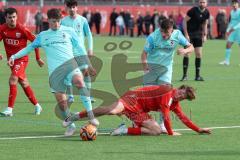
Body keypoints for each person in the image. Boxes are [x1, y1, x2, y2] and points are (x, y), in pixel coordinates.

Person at [8, 8, 99, 136]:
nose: (55, 24)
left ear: (60, 20)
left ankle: (90, 115)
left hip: (71, 66)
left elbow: (79, 48)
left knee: (79, 82)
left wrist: (88, 65)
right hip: (55, 73)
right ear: (48, 21)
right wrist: (13, 56)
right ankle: (71, 125)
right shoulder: (43, 36)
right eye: (53, 22)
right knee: (62, 104)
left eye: (58, 21)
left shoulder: (69, 31)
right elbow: (28, 48)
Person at [63, 84, 211, 136]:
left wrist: (198, 130)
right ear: (179, 88)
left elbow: (184, 118)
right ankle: (75, 116)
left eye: (183, 97)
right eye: (182, 92)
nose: (181, 96)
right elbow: (166, 116)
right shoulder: (168, 92)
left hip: (139, 111)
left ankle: (123, 130)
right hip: (132, 99)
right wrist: (171, 133)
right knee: (112, 110)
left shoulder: (175, 104)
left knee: (156, 131)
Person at [141, 18, 193, 132]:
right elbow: (144, 54)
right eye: (162, 32)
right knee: (145, 98)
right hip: (152, 69)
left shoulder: (177, 34)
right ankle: (139, 122)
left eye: (167, 33)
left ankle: (162, 125)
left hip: (166, 69)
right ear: (160, 29)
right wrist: (145, 66)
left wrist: (184, 51)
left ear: (172, 30)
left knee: (165, 96)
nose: (164, 35)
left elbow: (191, 47)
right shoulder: (153, 37)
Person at [0, 8, 44, 117]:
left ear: (17, 17)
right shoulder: (2, 29)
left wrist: (38, 58)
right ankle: (37, 105)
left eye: (14, 17)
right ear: (5, 18)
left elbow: (36, 42)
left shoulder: (22, 29)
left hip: (22, 59)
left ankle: (9, 109)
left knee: (13, 79)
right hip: (12, 61)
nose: (12, 19)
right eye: (9, 17)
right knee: (23, 83)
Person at [61, 0, 94, 103]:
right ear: (66, 8)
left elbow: (88, 34)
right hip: (68, 52)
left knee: (86, 73)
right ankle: (70, 96)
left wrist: (90, 48)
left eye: (73, 7)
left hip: (81, 52)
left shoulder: (82, 20)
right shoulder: (63, 21)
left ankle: (88, 95)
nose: (71, 9)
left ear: (77, 8)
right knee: (69, 74)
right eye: (69, 7)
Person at [181, 0, 209, 81]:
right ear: (198, 3)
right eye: (200, 2)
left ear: (206, 3)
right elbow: (184, 21)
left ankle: (197, 76)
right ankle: (185, 76)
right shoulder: (193, 10)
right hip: (190, 34)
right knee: (187, 53)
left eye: (203, 2)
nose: (202, 4)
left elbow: (205, 23)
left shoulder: (207, 12)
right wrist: (186, 34)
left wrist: (205, 35)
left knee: (199, 54)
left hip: (199, 35)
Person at [219, 0, 240, 66]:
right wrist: (227, 30)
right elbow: (231, 22)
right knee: (228, 44)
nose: (234, 5)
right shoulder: (231, 12)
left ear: (238, 4)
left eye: (235, 3)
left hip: (238, 31)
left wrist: (234, 28)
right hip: (232, 31)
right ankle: (227, 61)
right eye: (233, 3)